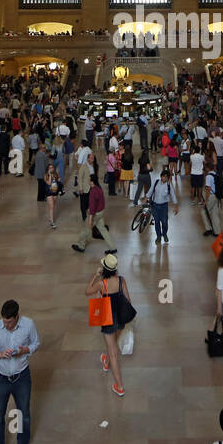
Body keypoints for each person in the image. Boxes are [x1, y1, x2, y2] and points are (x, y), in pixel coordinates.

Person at [0, 299, 40, 444]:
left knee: (23, 413)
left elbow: (36, 343)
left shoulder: (28, 325)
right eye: (4, 320)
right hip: (0, 378)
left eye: (9, 321)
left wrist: (26, 350)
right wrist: (0, 355)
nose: (6, 324)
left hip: (21, 377)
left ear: (17, 317)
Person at [85, 253, 135, 397]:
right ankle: (106, 361)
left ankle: (119, 387)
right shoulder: (121, 280)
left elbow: (87, 291)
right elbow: (128, 300)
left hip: (108, 319)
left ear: (104, 269)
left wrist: (95, 276)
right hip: (121, 318)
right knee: (113, 344)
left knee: (113, 352)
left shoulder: (102, 283)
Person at [146, 165, 179, 246]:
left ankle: (164, 233)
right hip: (155, 206)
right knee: (157, 222)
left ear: (168, 178)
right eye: (163, 176)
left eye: (166, 177)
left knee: (164, 222)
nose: (164, 178)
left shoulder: (168, 185)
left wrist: (176, 206)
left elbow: (173, 195)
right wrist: (146, 198)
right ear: (161, 176)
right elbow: (150, 191)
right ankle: (158, 236)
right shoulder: (156, 182)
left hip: (164, 206)